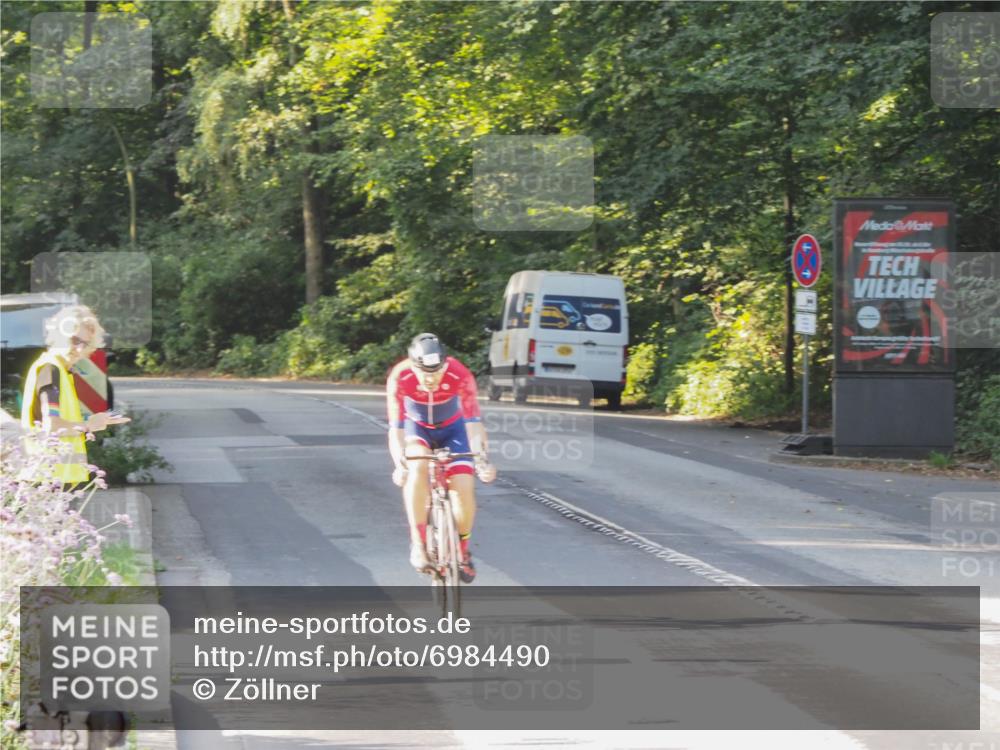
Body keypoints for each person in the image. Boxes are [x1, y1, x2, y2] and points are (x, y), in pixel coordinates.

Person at [386, 333, 496, 582]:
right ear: (412, 367)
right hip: (417, 428)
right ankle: (419, 545)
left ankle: (463, 551)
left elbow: (473, 423)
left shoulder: (459, 373)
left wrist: (482, 460)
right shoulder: (400, 376)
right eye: (424, 374)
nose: (431, 380)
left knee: (464, 485)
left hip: (453, 429)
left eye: (436, 373)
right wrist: (399, 464)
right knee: (417, 466)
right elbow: (397, 429)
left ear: (445, 365)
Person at [20, 305, 129, 485]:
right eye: (73, 340)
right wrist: (88, 425)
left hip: (50, 478)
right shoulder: (50, 369)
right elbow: (52, 425)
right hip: (45, 479)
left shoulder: (60, 371)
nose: (78, 349)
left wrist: (95, 422)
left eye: (84, 344)